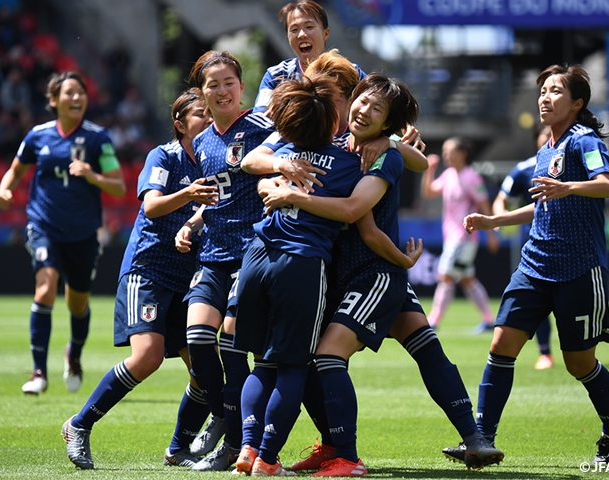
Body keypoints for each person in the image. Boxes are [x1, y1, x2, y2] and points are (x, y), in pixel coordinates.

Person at [259, 73, 504, 475]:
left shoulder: (384, 155)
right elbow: (260, 162)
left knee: (324, 354)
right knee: (426, 348)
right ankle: (473, 439)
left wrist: (291, 194)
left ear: (389, 122)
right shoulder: (335, 146)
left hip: (371, 273)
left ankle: (344, 456)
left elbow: (363, 222)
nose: (364, 110)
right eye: (363, 101)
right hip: (351, 273)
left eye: (378, 109)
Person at [451, 64, 609, 466]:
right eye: (542, 91)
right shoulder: (546, 147)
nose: (544, 97)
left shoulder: (584, 141)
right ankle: (481, 440)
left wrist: (568, 187)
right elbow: (541, 205)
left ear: (577, 103)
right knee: (501, 344)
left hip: (579, 268)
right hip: (534, 266)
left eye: (555, 91)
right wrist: (495, 220)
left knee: (579, 363)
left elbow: (608, 184)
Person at [173, 50, 317, 472]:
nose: (221, 91)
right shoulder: (201, 141)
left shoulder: (262, 126)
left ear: (241, 84)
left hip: (253, 254)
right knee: (198, 338)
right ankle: (222, 415)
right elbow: (222, 193)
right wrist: (195, 222)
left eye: (228, 82)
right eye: (212, 85)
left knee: (236, 349)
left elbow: (285, 165)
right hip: (214, 253)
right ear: (202, 92)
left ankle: (236, 444)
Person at [60, 89, 218, 470]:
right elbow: (151, 205)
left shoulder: (215, 159)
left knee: (202, 371)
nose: (209, 120)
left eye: (211, 113)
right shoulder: (163, 156)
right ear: (180, 124)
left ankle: (177, 449)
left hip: (188, 276)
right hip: (148, 270)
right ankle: (78, 425)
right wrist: (189, 193)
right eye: (200, 114)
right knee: (146, 357)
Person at [0, 71, 126, 395]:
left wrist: (92, 175)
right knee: (45, 288)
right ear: (54, 100)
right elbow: (15, 170)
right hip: (44, 226)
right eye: (69, 93)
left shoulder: (98, 138)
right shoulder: (37, 136)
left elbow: (120, 186)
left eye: (81, 93)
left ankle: (74, 356)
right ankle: (39, 371)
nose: (77, 98)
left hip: (83, 233)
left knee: (77, 304)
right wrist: (4, 190)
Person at [492, 124, 556, 370]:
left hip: (573, 246)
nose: (549, 137)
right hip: (539, 247)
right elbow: (502, 198)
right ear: (536, 139)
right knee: (538, 302)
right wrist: (498, 220)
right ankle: (545, 353)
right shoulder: (524, 169)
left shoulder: (573, 162)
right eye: (545, 134)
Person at [421, 137, 499, 333]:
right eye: (444, 151)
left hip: (463, 238)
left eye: (450, 151)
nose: (445, 155)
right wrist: (429, 169)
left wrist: (491, 235)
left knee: (445, 276)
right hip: (451, 237)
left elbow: (484, 206)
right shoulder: (448, 175)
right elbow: (429, 192)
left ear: (463, 153)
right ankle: (489, 319)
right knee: (467, 280)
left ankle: (433, 321)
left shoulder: (471, 177)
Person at [252, 0, 366, 114]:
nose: (302, 34)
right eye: (294, 30)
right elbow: (259, 118)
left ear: (326, 33)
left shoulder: (352, 74)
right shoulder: (276, 76)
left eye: (309, 27)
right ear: (288, 38)